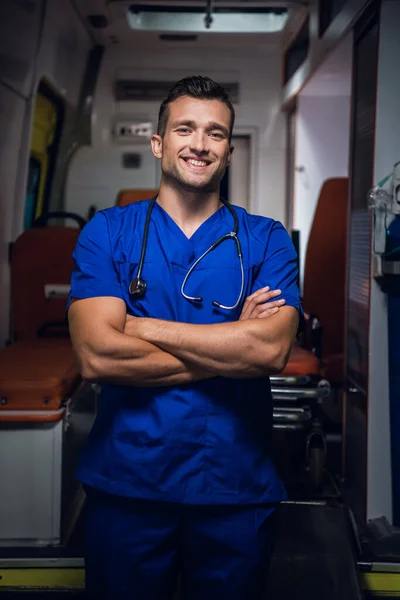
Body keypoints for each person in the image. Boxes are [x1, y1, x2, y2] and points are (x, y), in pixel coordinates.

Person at [67, 75, 301, 600]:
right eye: (185, 129)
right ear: (158, 143)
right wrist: (232, 341)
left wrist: (138, 324)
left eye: (216, 133)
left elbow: (270, 350)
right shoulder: (107, 232)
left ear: (229, 151)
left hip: (234, 486)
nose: (200, 144)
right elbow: (97, 355)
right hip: (128, 486)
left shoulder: (266, 240)